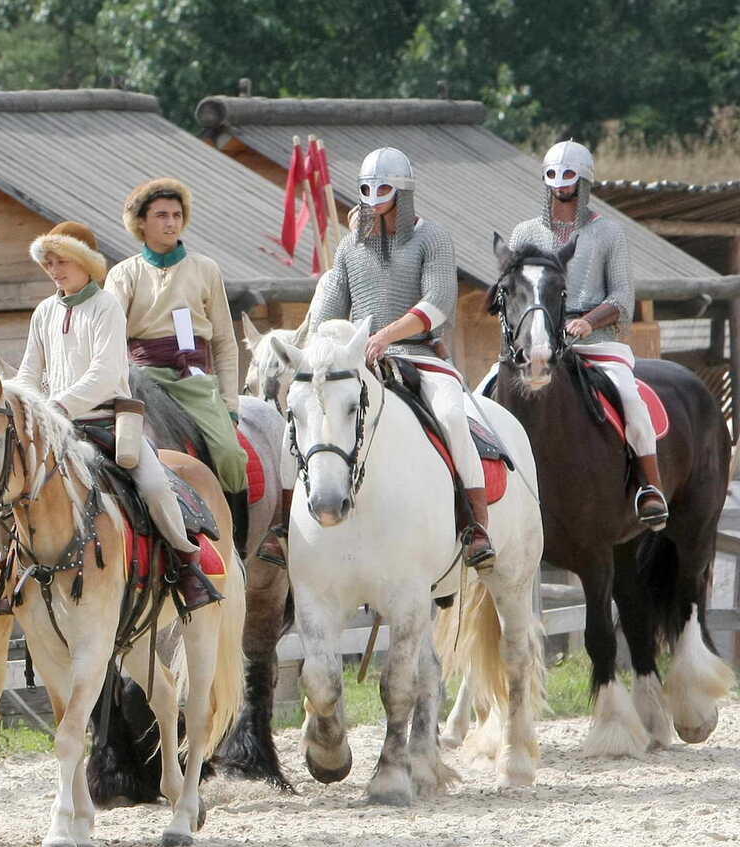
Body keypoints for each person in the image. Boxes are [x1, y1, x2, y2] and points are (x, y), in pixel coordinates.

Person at [265, 146, 494, 569]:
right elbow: (330, 309)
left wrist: (387, 335)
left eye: (384, 188)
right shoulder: (352, 246)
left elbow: (440, 300)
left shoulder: (432, 237)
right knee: (297, 424)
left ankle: (476, 523)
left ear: (403, 191)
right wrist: (321, 339)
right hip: (356, 360)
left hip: (417, 355)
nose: (374, 196)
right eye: (367, 189)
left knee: (451, 415)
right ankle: (282, 528)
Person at [16, 221, 221, 612]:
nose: (55, 270)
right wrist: (24, 404)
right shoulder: (43, 311)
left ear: (86, 264)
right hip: (55, 428)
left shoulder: (106, 306)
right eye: (49, 262)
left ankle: (186, 562)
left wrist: (56, 406)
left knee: (155, 483)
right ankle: (14, 569)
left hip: (107, 420)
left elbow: (105, 375)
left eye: (63, 261)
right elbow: (29, 372)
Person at [507, 140, 666, 527]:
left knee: (630, 398)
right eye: (554, 177)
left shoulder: (608, 233)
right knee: (483, 395)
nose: (560, 185)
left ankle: (649, 486)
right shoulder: (524, 234)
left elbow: (622, 297)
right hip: (539, 342)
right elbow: (510, 290)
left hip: (596, 343)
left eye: (569, 177)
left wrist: (588, 321)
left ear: (584, 181)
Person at [104, 178, 252, 546]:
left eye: (176, 215)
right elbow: (106, 339)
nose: (171, 223)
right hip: (141, 378)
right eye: (161, 215)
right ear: (141, 223)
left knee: (231, 454)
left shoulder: (206, 269)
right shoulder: (123, 274)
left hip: (195, 379)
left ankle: (241, 540)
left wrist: (230, 404)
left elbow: (224, 342)